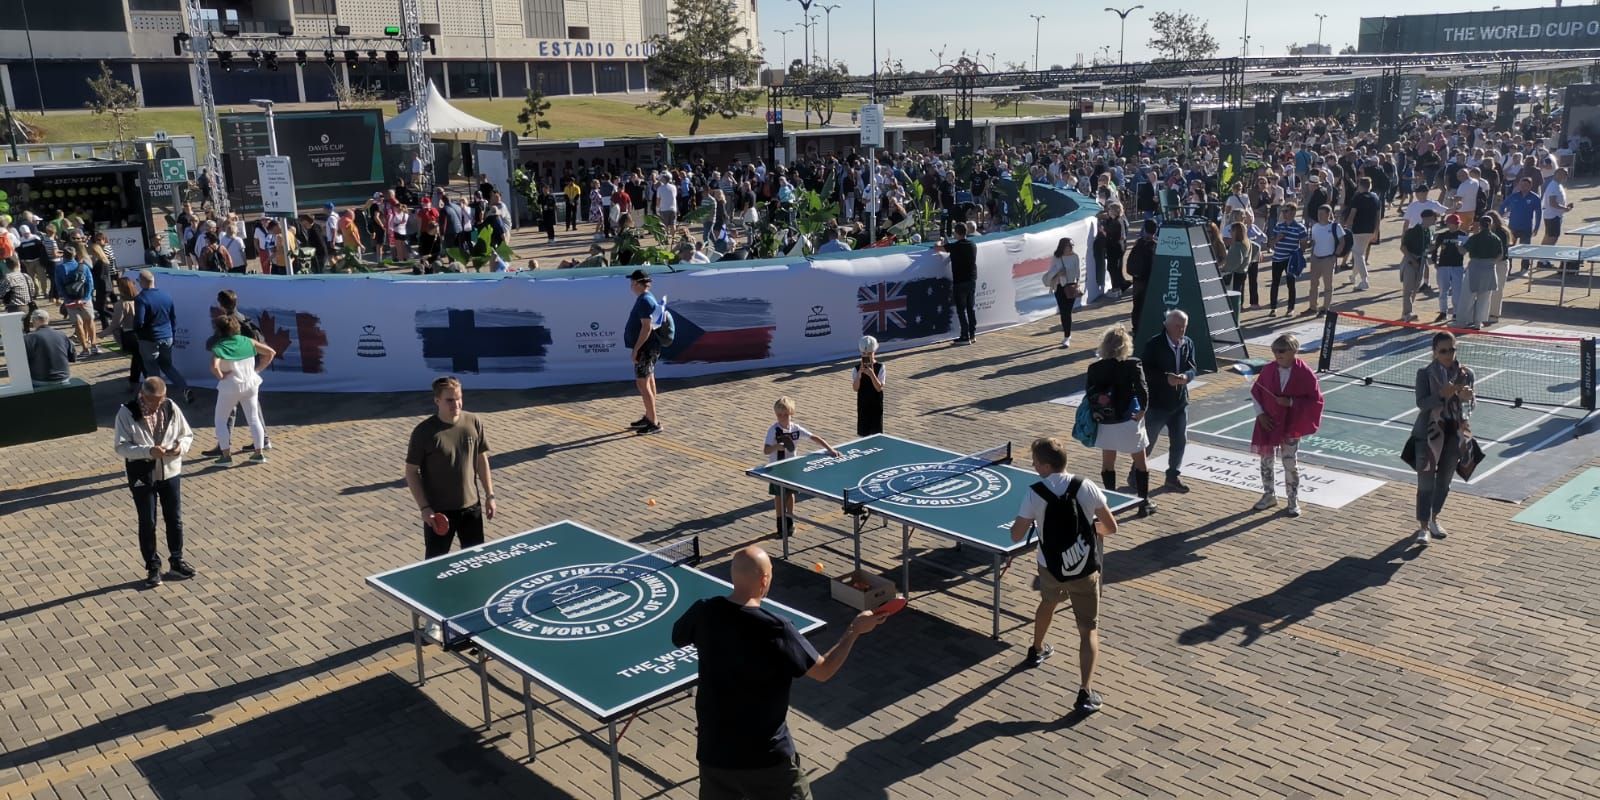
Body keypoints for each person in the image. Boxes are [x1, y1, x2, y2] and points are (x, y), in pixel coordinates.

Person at [670, 544, 882, 800]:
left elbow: (677, 636)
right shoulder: (777, 629)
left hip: (714, 753)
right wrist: (855, 629)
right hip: (767, 760)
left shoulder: (703, 611)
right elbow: (824, 671)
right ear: (765, 579)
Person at [1008, 436, 1117, 714]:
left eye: (1035, 462)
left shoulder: (1034, 493)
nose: (1033, 466)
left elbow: (1016, 534)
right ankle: (1085, 692)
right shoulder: (1086, 486)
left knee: (1048, 602)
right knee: (1088, 629)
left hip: (1050, 567)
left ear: (1045, 466)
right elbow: (1110, 526)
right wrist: (1094, 535)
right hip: (1084, 571)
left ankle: (1036, 649)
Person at [404, 376, 497, 600]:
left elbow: (481, 459)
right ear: (437, 401)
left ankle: (474, 604)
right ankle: (432, 616)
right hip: (439, 513)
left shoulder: (473, 422)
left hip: (471, 510)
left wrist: (489, 495)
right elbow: (411, 472)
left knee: (475, 564)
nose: (456, 405)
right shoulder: (424, 432)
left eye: (458, 399)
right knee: (436, 568)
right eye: (449, 400)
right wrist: (425, 508)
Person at [113, 377, 197, 588]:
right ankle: (152, 566)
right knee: (148, 521)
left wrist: (180, 447)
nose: (159, 404)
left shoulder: (170, 406)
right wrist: (148, 452)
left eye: (162, 399)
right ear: (143, 395)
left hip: (170, 471)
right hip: (142, 473)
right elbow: (121, 447)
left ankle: (176, 561)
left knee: (174, 518)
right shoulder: (127, 412)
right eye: (154, 401)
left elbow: (186, 434)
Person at [1249, 334, 1325, 518]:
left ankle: (1293, 500)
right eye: (1274, 351)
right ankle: (1269, 495)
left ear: (1293, 351)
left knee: (1290, 463)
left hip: (1290, 424)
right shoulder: (1268, 369)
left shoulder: (1304, 373)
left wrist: (1290, 402)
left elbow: (1316, 400)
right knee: (1266, 460)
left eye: (1281, 351)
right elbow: (1256, 393)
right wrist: (1260, 415)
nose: (1277, 354)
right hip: (1268, 422)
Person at [1411, 331, 1476, 545]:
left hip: (1455, 433)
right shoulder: (1425, 373)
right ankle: (1422, 527)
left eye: (1452, 349)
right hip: (1429, 434)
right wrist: (1442, 394)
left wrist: (1467, 400)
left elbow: (1468, 411)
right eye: (1444, 351)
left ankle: (1434, 518)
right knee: (1426, 480)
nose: (1449, 355)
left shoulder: (1467, 374)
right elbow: (1422, 403)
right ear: (1435, 352)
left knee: (1445, 480)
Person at [1084, 326, 1153, 515]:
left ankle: (1111, 503)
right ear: (1126, 345)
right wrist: (1143, 410)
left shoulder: (1095, 368)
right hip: (1128, 419)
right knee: (1140, 461)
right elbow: (1142, 388)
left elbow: (1089, 393)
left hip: (1106, 421)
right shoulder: (1133, 364)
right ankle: (1143, 503)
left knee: (1108, 462)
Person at [764, 396, 842, 539]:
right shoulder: (773, 430)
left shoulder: (796, 429)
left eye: (785, 415)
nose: (782, 418)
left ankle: (790, 521)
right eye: (779, 415)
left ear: (791, 413)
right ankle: (780, 525)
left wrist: (830, 449)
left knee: (790, 494)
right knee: (779, 496)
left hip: (791, 468)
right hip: (776, 469)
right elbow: (766, 450)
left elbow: (814, 438)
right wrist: (777, 446)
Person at [1140, 309, 1197, 493]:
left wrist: (1186, 377)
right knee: (1148, 443)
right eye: (1177, 327)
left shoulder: (1188, 343)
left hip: (1180, 403)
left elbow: (1192, 367)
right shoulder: (1154, 344)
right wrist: (1166, 378)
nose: (1181, 330)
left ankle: (1172, 476)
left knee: (1179, 441)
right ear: (1167, 325)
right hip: (1157, 404)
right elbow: (1145, 371)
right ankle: (1136, 474)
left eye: (1184, 327)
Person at [208, 315, 276, 465]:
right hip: (251, 384)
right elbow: (271, 353)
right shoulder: (249, 341)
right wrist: (257, 370)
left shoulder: (219, 346)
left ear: (219, 330)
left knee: (220, 421)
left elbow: (213, 366)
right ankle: (259, 454)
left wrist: (221, 375)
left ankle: (226, 456)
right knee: (253, 419)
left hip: (229, 387)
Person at [132, 270, 192, 404]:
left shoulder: (141, 299)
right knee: (167, 366)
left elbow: (139, 322)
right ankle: (184, 388)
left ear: (141, 282)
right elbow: (173, 318)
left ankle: (157, 400)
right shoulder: (166, 296)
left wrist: (135, 330)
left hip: (149, 339)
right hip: (167, 336)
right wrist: (173, 334)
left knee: (152, 370)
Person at [624, 269, 668, 435]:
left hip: (646, 348)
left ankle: (654, 422)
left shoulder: (644, 301)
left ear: (636, 283)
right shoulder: (646, 298)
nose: (630, 286)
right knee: (649, 380)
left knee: (642, 383)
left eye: (631, 282)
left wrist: (636, 350)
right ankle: (649, 417)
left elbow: (646, 327)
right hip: (649, 348)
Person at [936, 222, 979, 344]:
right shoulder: (972, 245)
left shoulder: (954, 247)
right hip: (971, 280)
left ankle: (964, 336)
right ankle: (972, 334)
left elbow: (937, 248)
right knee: (971, 308)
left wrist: (940, 241)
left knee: (961, 310)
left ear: (957, 233)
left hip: (960, 282)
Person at [1463, 214, 1506, 329]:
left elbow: (1463, 251)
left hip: (1475, 267)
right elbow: (1500, 255)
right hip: (1489, 268)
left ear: (1480, 225)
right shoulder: (1496, 238)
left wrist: (1458, 246)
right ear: (1490, 224)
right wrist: (1491, 262)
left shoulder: (1474, 237)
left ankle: (1465, 320)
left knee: (1469, 295)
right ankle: (1478, 322)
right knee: (1485, 298)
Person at [55, 244, 97, 356]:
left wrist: (68, 299)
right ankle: (94, 345)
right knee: (90, 321)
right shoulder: (84, 267)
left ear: (64, 255)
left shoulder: (59, 269)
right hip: (85, 299)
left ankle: (84, 349)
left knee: (78, 324)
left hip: (70, 301)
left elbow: (59, 286)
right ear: (75, 255)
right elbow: (90, 284)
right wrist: (86, 298)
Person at [1343, 176, 1382, 291]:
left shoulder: (1358, 197)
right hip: (1370, 229)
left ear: (1360, 185)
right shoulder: (1376, 198)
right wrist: (1376, 231)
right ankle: (1353, 276)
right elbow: (1378, 216)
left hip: (1358, 229)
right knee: (1359, 253)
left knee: (1357, 253)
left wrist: (1346, 227)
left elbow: (1352, 214)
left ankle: (1364, 280)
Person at [1398, 209, 1437, 322]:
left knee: (1415, 288)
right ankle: (1407, 313)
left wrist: (1432, 247)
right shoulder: (1413, 231)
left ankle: (1407, 312)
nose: (1435, 222)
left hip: (1421, 261)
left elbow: (1426, 246)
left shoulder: (1428, 232)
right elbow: (1403, 248)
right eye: (1433, 219)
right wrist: (1412, 261)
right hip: (1411, 261)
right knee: (1408, 289)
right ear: (1427, 218)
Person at [1430, 213, 1469, 324]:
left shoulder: (1462, 234)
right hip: (1443, 265)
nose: (1454, 226)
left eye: (1456, 224)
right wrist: (1435, 261)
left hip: (1457, 265)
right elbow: (1435, 249)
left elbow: (1465, 250)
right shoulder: (1442, 235)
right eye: (1452, 223)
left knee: (1457, 290)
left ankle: (1456, 312)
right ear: (1448, 224)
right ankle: (1443, 312)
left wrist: (1460, 246)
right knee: (1443, 290)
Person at [1042, 237, 1081, 348]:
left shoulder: (1075, 257)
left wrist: (1077, 283)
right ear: (1063, 247)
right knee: (1064, 312)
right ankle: (1066, 336)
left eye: (1072, 246)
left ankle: (1067, 335)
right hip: (1059, 287)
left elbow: (1078, 272)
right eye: (1069, 246)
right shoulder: (1057, 257)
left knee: (1068, 311)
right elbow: (1050, 273)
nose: (1071, 248)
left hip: (1071, 287)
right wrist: (1059, 274)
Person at [1500, 175, 1540, 276]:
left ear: (1530, 186)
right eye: (1522, 185)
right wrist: (1500, 219)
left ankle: (1524, 268)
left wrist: (1537, 227)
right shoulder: (1514, 196)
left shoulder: (1535, 198)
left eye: (1526, 185)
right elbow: (1503, 206)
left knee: (1525, 249)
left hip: (1526, 227)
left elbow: (1539, 213)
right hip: (1512, 227)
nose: (1524, 187)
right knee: (1509, 248)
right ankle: (1507, 269)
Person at [1304, 204, 1340, 316]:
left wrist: (1335, 255)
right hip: (1316, 258)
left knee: (1328, 285)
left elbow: (1342, 241)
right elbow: (1313, 242)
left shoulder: (1335, 227)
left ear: (1328, 214)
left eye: (1322, 214)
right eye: (1318, 214)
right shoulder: (1315, 227)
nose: (1319, 216)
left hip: (1328, 259)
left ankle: (1325, 308)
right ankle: (1312, 307)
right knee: (1314, 284)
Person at [23, 309, 75, 386]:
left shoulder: (29, 338)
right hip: (63, 378)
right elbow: (73, 357)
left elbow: (24, 362)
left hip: (41, 379)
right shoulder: (61, 334)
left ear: (34, 321)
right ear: (48, 319)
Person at [1125, 220, 1158, 328]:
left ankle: (1136, 327)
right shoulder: (1156, 246)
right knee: (1148, 305)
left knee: (1137, 306)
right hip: (1149, 279)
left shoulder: (1138, 242)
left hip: (1138, 279)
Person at [852, 335, 886, 436]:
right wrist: (859, 375)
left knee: (876, 434)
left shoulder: (880, 367)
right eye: (864, 354)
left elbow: (879, 387)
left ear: (874, 352)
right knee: (863, 433)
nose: (866, 356)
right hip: (863, 406)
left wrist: (871, 374)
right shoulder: (856, 369)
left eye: (869, 353)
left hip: (876, 406)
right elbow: (855, 388)